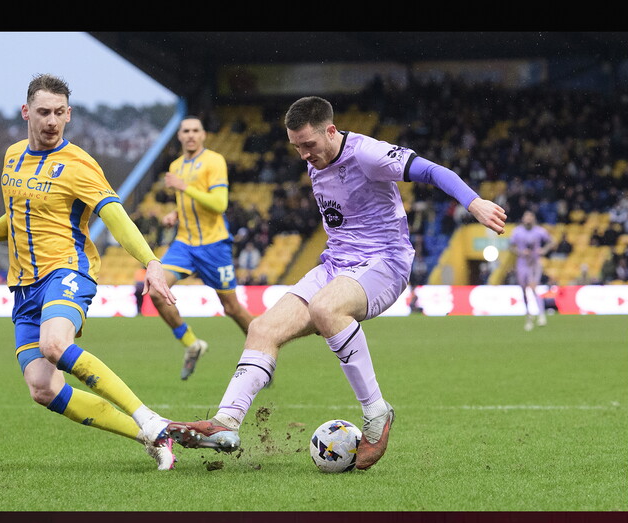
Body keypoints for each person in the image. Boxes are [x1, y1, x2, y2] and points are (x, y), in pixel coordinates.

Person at [164, 96, 506, 470]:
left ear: (331, 130)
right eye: (296, 147)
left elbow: (432, 171)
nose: (304, 155)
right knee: (262, 329)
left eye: (308, 145)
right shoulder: (316, 155)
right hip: (336, 264)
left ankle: (377, 414)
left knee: (327, 308)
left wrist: (474, 203)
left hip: (384, 263)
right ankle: (225, 423)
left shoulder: (368, 153)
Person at [0, 74, 179, 470]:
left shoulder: (79, 165)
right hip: (24, 286)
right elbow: (21, 214)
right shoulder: (12, 156)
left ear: (69, 114)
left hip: (68, 269)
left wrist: (152, 262)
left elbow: (116, 218)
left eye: (60, 112)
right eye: (43, 112)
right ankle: (147, 435)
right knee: (42, 388)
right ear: (26, 112)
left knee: (54, 345)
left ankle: (150, 418)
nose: (51, 121)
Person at [149, 115, 255, 380]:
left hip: (213, 245)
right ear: (179, 136)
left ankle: (261, 352)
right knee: (156, 290)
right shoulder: (176, 165)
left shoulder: (214, 161)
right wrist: (176, 213)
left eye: (196, 130)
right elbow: (190, 201)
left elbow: (219, 203)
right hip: (184, 243)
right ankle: (192, 344)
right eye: (186, 131)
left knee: (231, 308)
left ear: (204, 134)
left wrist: (183, 187)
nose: (191, 135)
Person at [509, 210, 555, 331]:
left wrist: (543, 250)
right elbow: (511, 246)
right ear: (523, 219)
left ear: (533, 219)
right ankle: (528, 315)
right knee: (524, 290)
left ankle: (541, 315)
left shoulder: (539, 231)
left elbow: (551, 241)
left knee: (534, 287)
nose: (528, 219)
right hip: (522, 264)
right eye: (526, 217)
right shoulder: (517, 231)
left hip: (534, 264)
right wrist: (520, 252)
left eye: (530, 217)